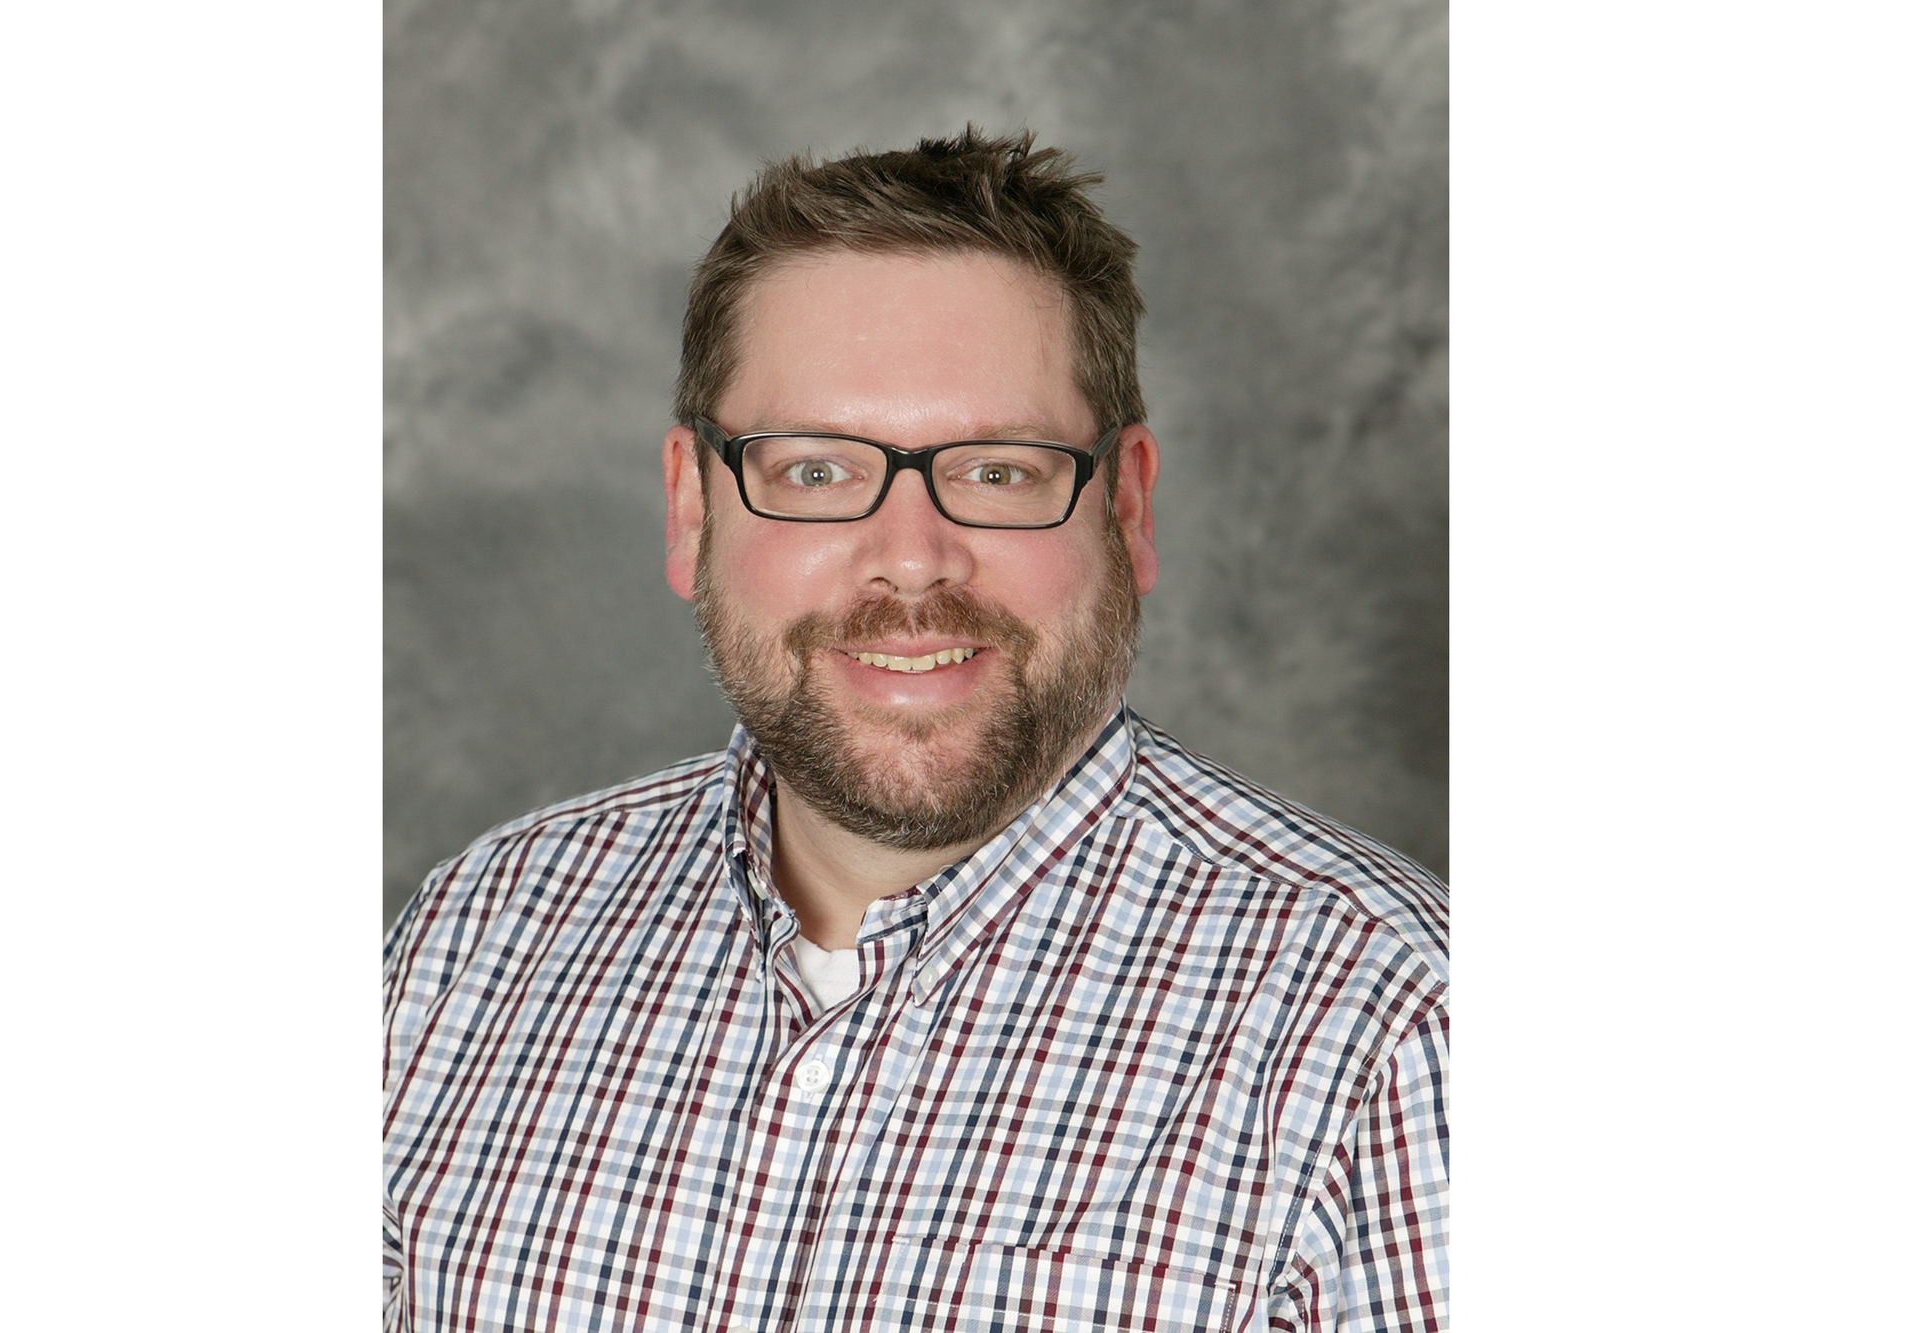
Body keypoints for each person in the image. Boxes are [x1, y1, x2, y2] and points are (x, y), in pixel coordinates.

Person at [383, 128, 1447, 1332]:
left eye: (998, 471)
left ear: (1128, 505)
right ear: (690, 510)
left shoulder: (1392, 1033)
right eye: (816, 470)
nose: (908, 560)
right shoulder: (474, 941)